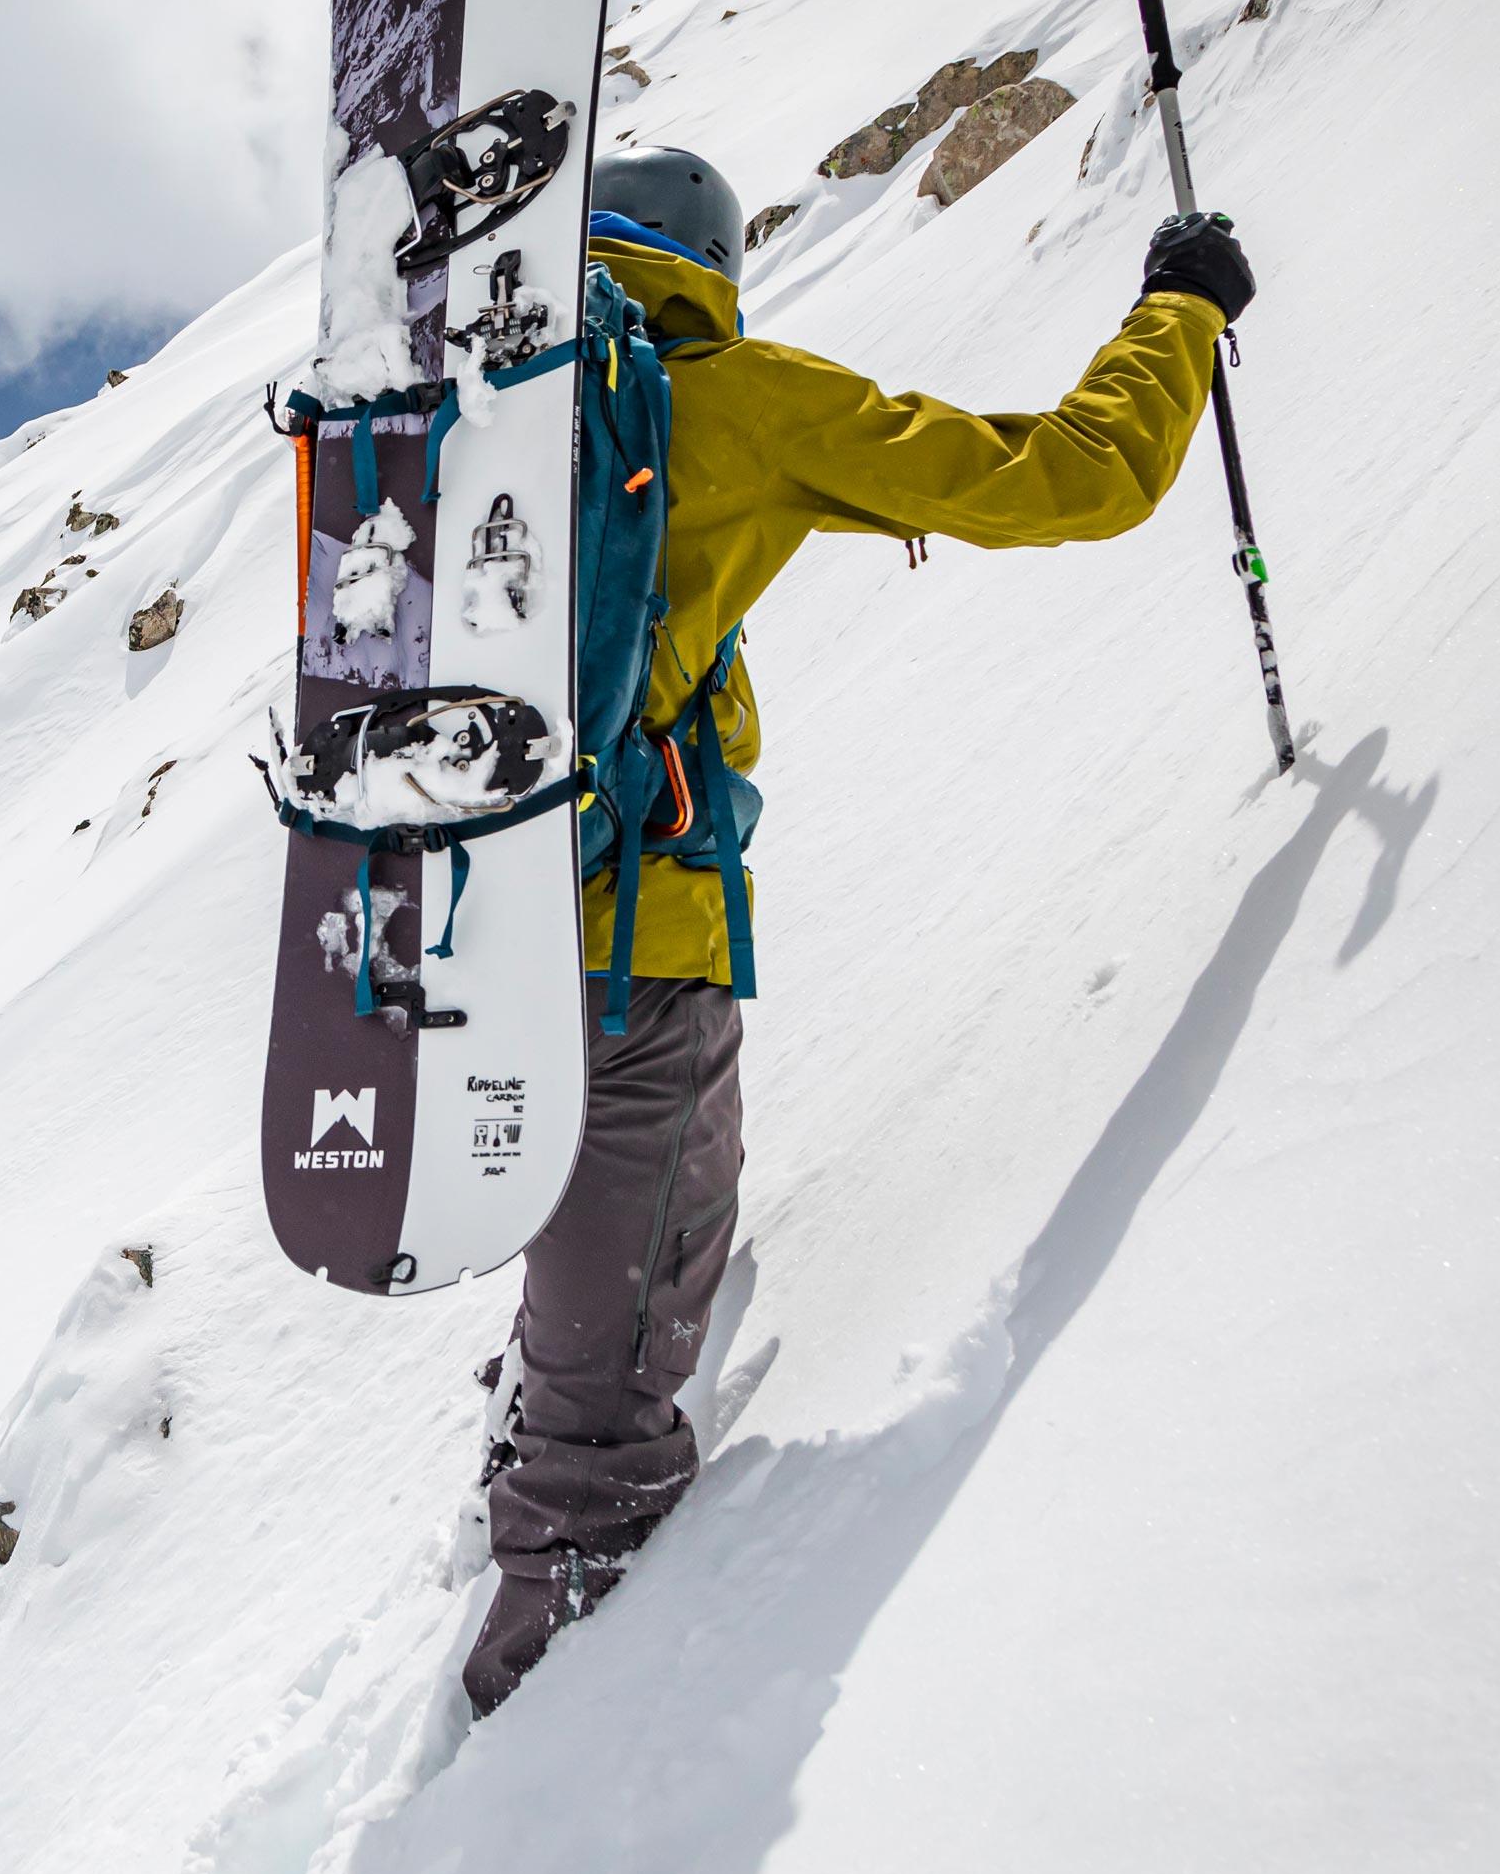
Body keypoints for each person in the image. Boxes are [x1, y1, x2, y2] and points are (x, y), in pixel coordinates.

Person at [462, 145, 1258, 1716]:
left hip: (458, 944)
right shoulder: (730, 394)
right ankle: (529, 1784)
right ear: (712, 262)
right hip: (642, 952)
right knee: (603, 1433)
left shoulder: (474, 413)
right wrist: (1181, 313)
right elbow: (1070, 478)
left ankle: (522, 1415)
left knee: (563, 1252)